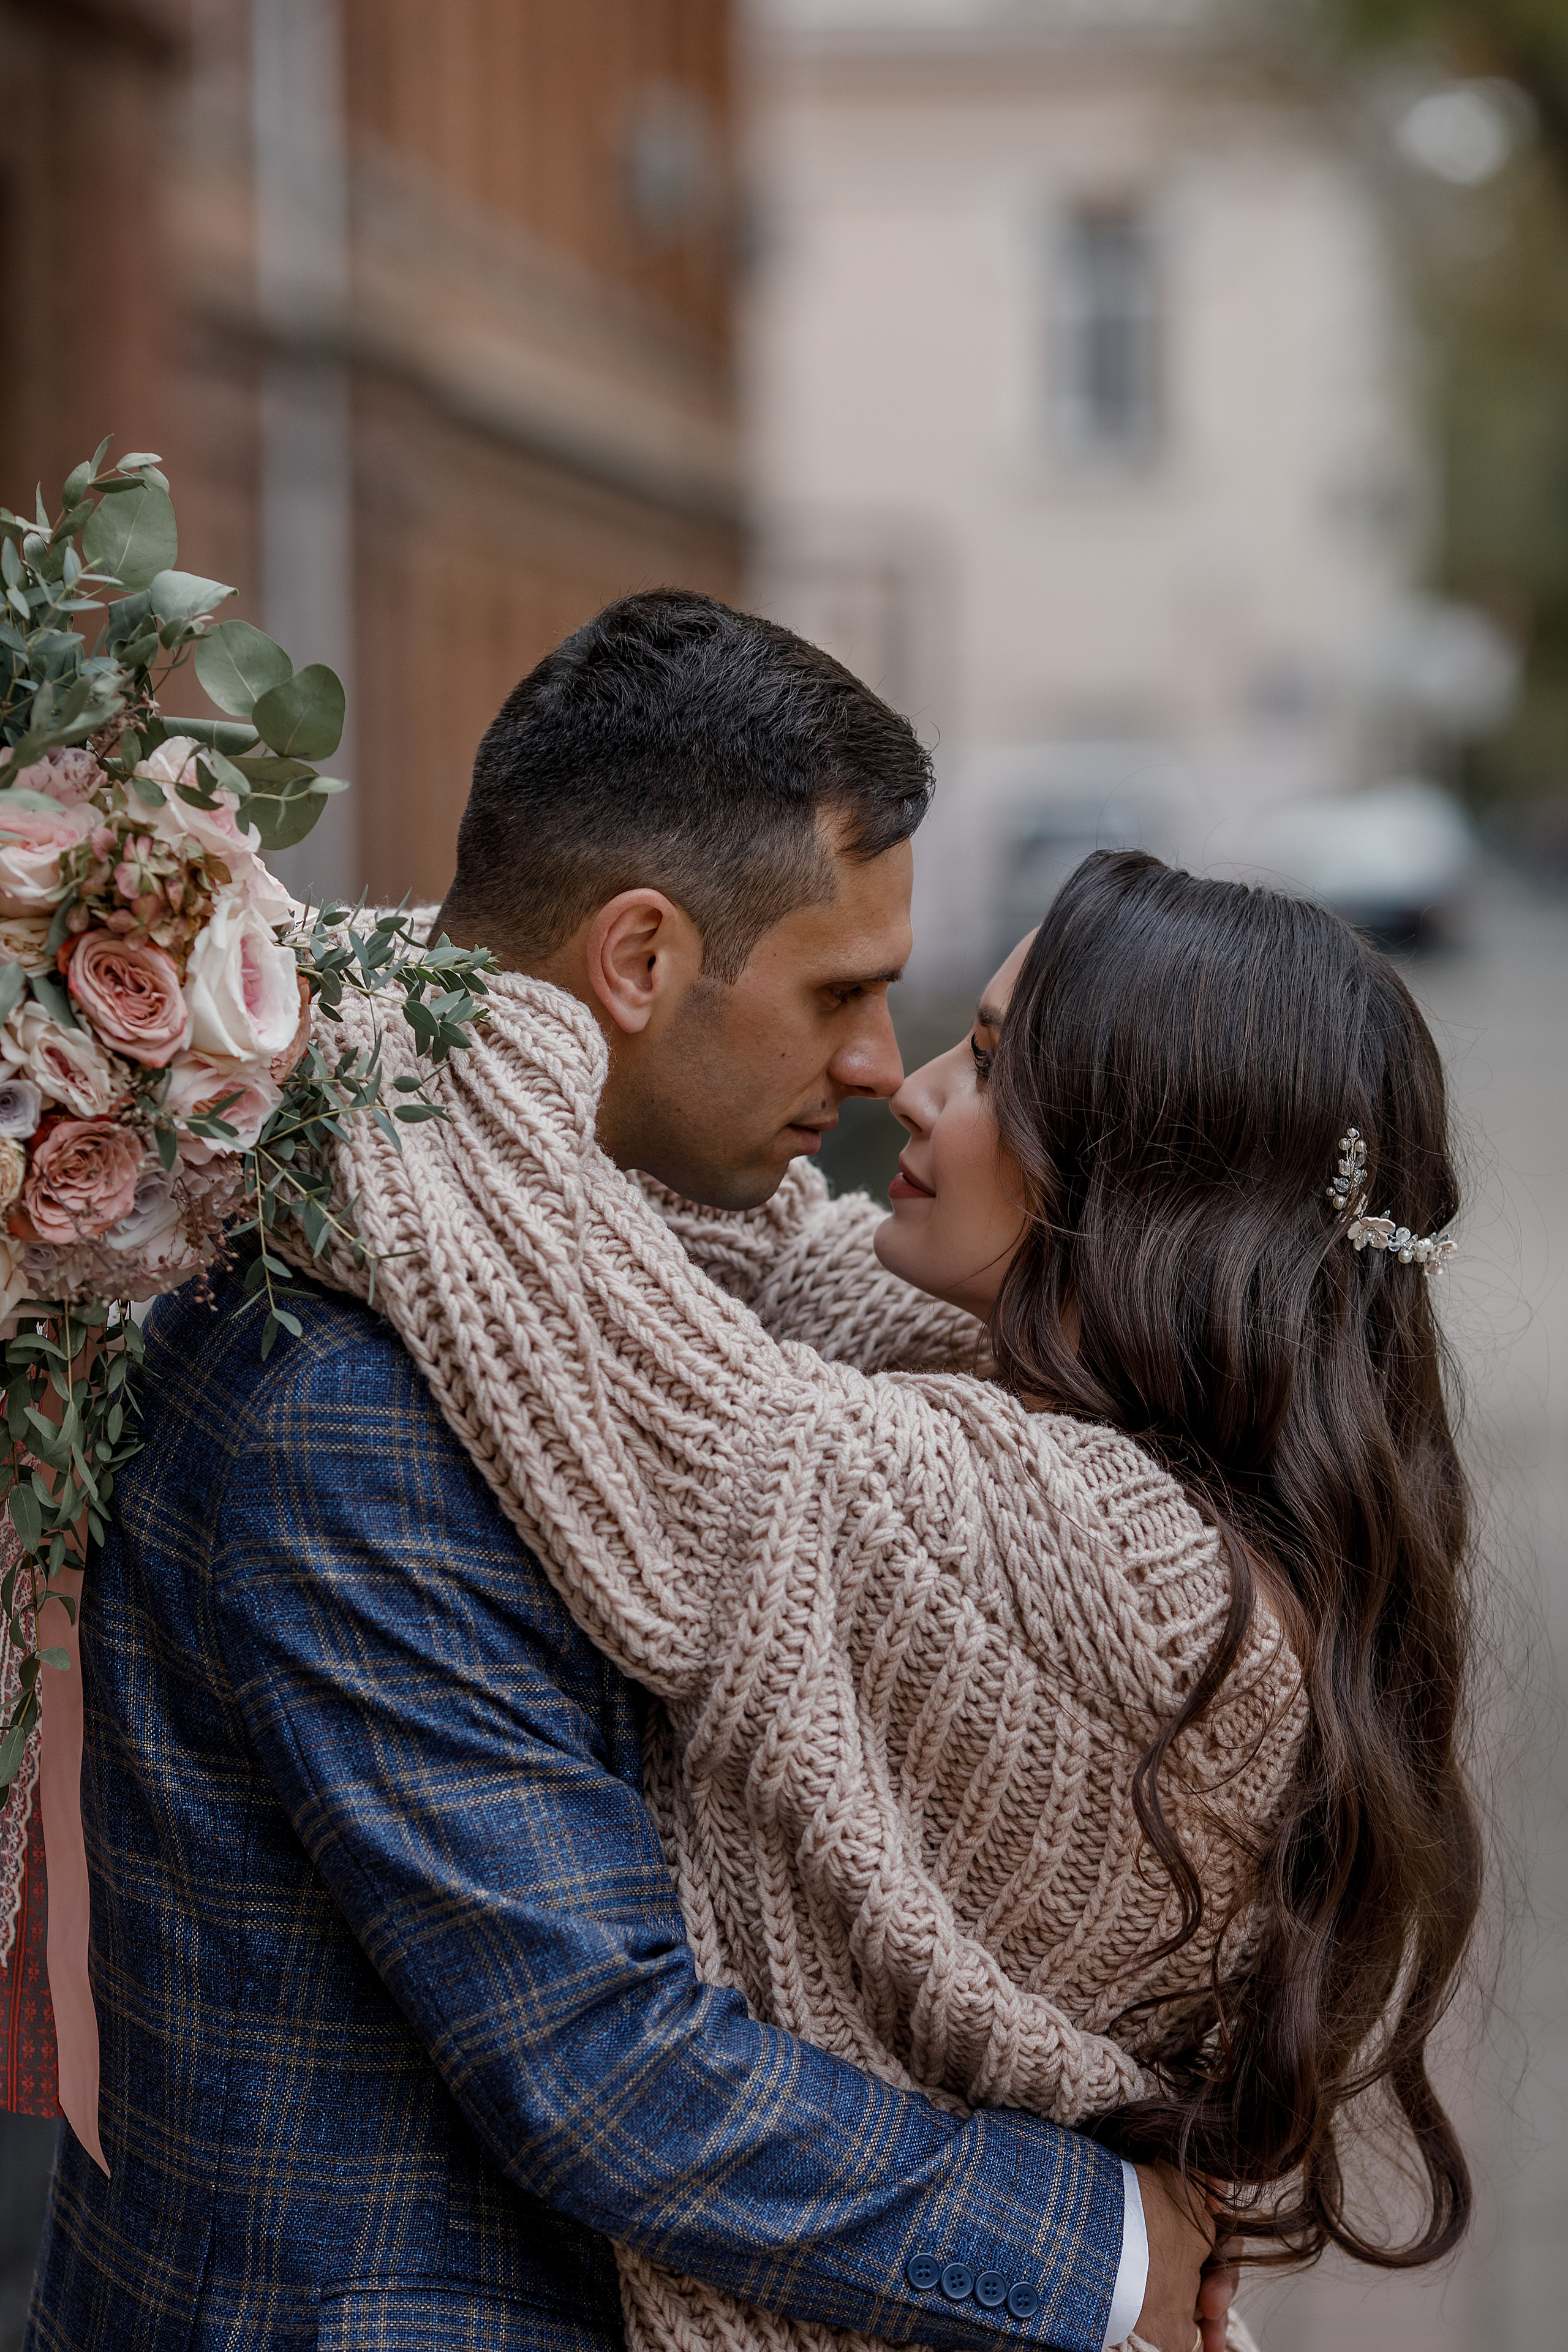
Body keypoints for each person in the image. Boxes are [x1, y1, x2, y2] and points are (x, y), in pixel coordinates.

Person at [26, 595, 1225, 2352]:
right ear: (642, 959)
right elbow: (598, 2063)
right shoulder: (353, 1385)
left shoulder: (586, 1292)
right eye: (842, 992)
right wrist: (1104, 2248)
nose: (883, 1068)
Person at [302, 810, 1482, 2352]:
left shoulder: (1118, 1571)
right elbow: (758, 1262)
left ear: (1140, 1175)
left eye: (988, 1066)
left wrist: (284, 975)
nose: (911, 1083)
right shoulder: (1174, 1466)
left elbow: (588, 1315)